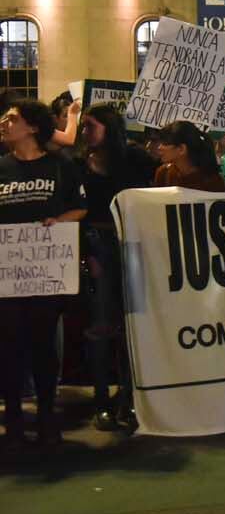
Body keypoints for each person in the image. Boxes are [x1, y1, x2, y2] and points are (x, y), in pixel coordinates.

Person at [0, 100, 87, 448]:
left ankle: (48, 414)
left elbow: (80, 208)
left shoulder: (60, 166)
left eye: (12, 119)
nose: (4, 123)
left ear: (33, 127)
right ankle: (15, 418)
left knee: (42, 347)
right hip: (8, 276)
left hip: (45, 275)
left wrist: (58, 222)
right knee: (9, 348)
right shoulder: (1, 167)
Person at [76, 103, 158, 430]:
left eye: (90, 126)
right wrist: (87, 252)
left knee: (134, 322)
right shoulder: (79, 164)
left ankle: (129, 396)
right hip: (99, 245)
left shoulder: (135, 159)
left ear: (108, 128)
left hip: (133, 245)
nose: (84, 133)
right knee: (100, 324)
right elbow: (76, 210)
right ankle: (101, 400)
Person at [153, 121, 225, 192]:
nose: (160, 147)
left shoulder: (213, 181)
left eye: (165, 143)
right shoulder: (163, 173)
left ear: (182, 149)